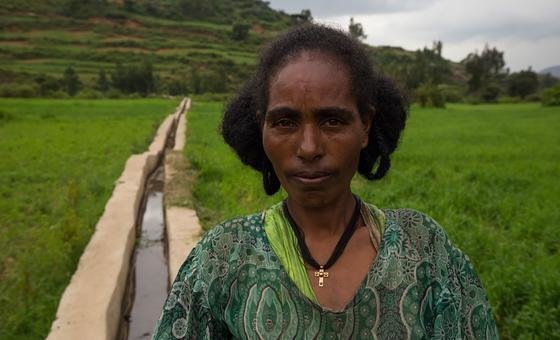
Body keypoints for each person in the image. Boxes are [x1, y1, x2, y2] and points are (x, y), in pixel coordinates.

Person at [153, 24, 498, 339]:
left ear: (365, 125)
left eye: (332, 121)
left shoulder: (424, 251)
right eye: (285, 122)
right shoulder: (222, 258)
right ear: (262, 129)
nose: (308, 148)